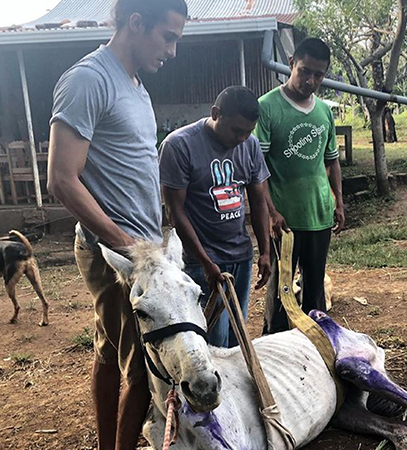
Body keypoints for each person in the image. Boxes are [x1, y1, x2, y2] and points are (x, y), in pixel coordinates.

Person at [46, 1, 187, 449]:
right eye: (168, 37)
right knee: (144, 371)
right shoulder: (89, 80)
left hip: (141, 248)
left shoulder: (136, 87)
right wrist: (125, 243)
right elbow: (62, 180)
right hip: (116, 254)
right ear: (136, 23)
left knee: (110, 356)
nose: (173, 51)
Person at [160, 85, 272, 348]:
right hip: (202, 263)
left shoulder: (250, 145)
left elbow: (258, 201)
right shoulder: (179, 146)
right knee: (213, 342)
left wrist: (265, 250)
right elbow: (175, 213)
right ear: (215, 113)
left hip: (240, 258)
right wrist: (206, 261)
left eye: (248, 132)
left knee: (237, 339)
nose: (242, 138)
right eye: (237, 130)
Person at [255, 38, 345, 334]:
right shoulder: (267, 108)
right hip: (285, 219)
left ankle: (314, 344)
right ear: (291, 62)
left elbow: (331, 163)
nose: (311, 80)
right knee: (281, 289)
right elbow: (258, 169)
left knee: (314, 286)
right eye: (305, 71)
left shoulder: (324, 112)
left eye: (318, 75)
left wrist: (339, 203)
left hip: (319, 214)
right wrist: (270, 212)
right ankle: (274, 344)